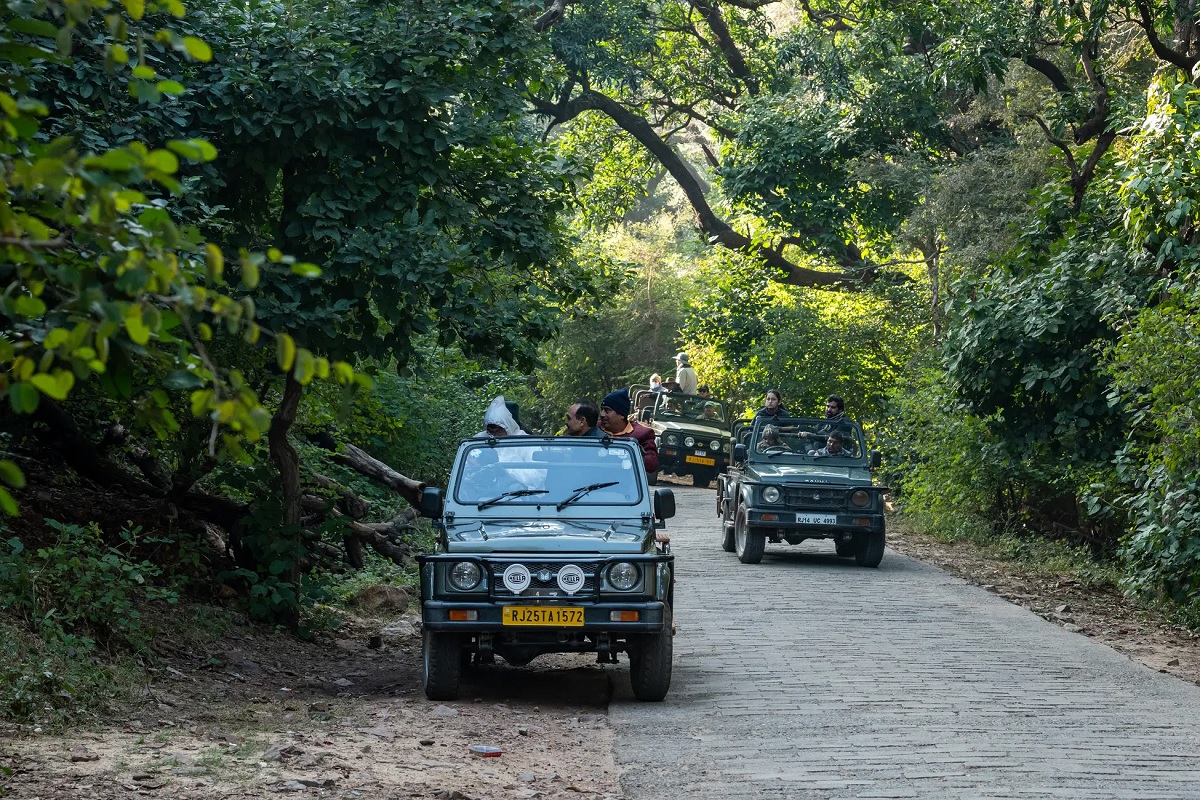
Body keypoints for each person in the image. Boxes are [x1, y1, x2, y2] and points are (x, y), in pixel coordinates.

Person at [599, 388, 659, 473]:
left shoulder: (642, 434)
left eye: (607, 410)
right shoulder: (594, 428)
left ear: (622, 415)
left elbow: (652, 464)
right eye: (601, 409)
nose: (602, 414)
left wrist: (628, 454)